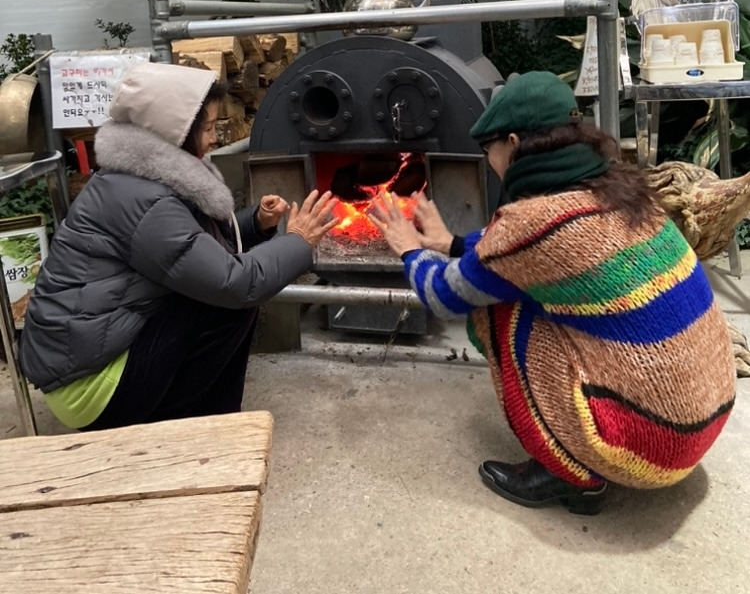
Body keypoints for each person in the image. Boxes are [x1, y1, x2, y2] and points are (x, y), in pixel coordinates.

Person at [368, 71, 736, 515]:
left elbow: (444, 296)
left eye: (488, 149)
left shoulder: (532, 222)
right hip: (704, 416)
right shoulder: (618, 188)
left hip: (652, 449)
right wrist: (451, 244)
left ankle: (571, 476)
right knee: (517, 286)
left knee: (499, 312)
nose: (489, 159)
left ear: (512, 143)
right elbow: (538, 252)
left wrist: (409, 249)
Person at [20, 61, 338, 430]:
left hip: (88, 351)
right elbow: (235, 283)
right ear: (176, 133)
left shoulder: (135, 180)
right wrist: (299, 241)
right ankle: (195, 425)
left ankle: (207, 416)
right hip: (88, 387)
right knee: (226, 306)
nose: (214, 138)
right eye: (207, 128)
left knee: (215, 298)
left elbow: (189, 248)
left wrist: (256, 223)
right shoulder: (145, 201)